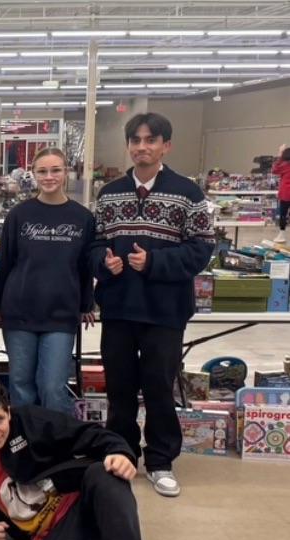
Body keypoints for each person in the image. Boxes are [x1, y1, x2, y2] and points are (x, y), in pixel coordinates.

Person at [0, 380, 242, 540]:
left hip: (82, 501)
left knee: (106, 472)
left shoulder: (31, 421)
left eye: (0, 419)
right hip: (49, 537)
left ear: (9, 412)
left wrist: (120, 453)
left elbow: (90, 434)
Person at [90, 113, 214, 498]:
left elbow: (202, 248)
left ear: (166, 146)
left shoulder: (188, 193)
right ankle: (121, 453)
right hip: (118, 307)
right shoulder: (109, 193)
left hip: (165, 310)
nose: (142, 147)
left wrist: (155, 263)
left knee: (159, 387)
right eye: (136, 140)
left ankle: (160, 461)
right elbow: (95, 242)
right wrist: (103, 263)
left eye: (150, 140)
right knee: (120, 388)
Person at [0, 147, 95, 416]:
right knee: (21, 385)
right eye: (43, 171)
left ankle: (57, 439)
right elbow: (5, 262)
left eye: (56, 170)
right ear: (34, 174)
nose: (49, 177)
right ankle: (25, 437)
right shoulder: (19, 215)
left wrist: (86, 304)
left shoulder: (83, 218)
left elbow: (85, 266)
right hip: (19, 311)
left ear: (66, 172)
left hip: (61, 313)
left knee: (52, 386)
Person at [271, 144, 290, 243]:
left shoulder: (285, 165)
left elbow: (274, 170)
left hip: (286, 194)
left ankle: (282, 235)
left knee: (283, 215)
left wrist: (280, 154)